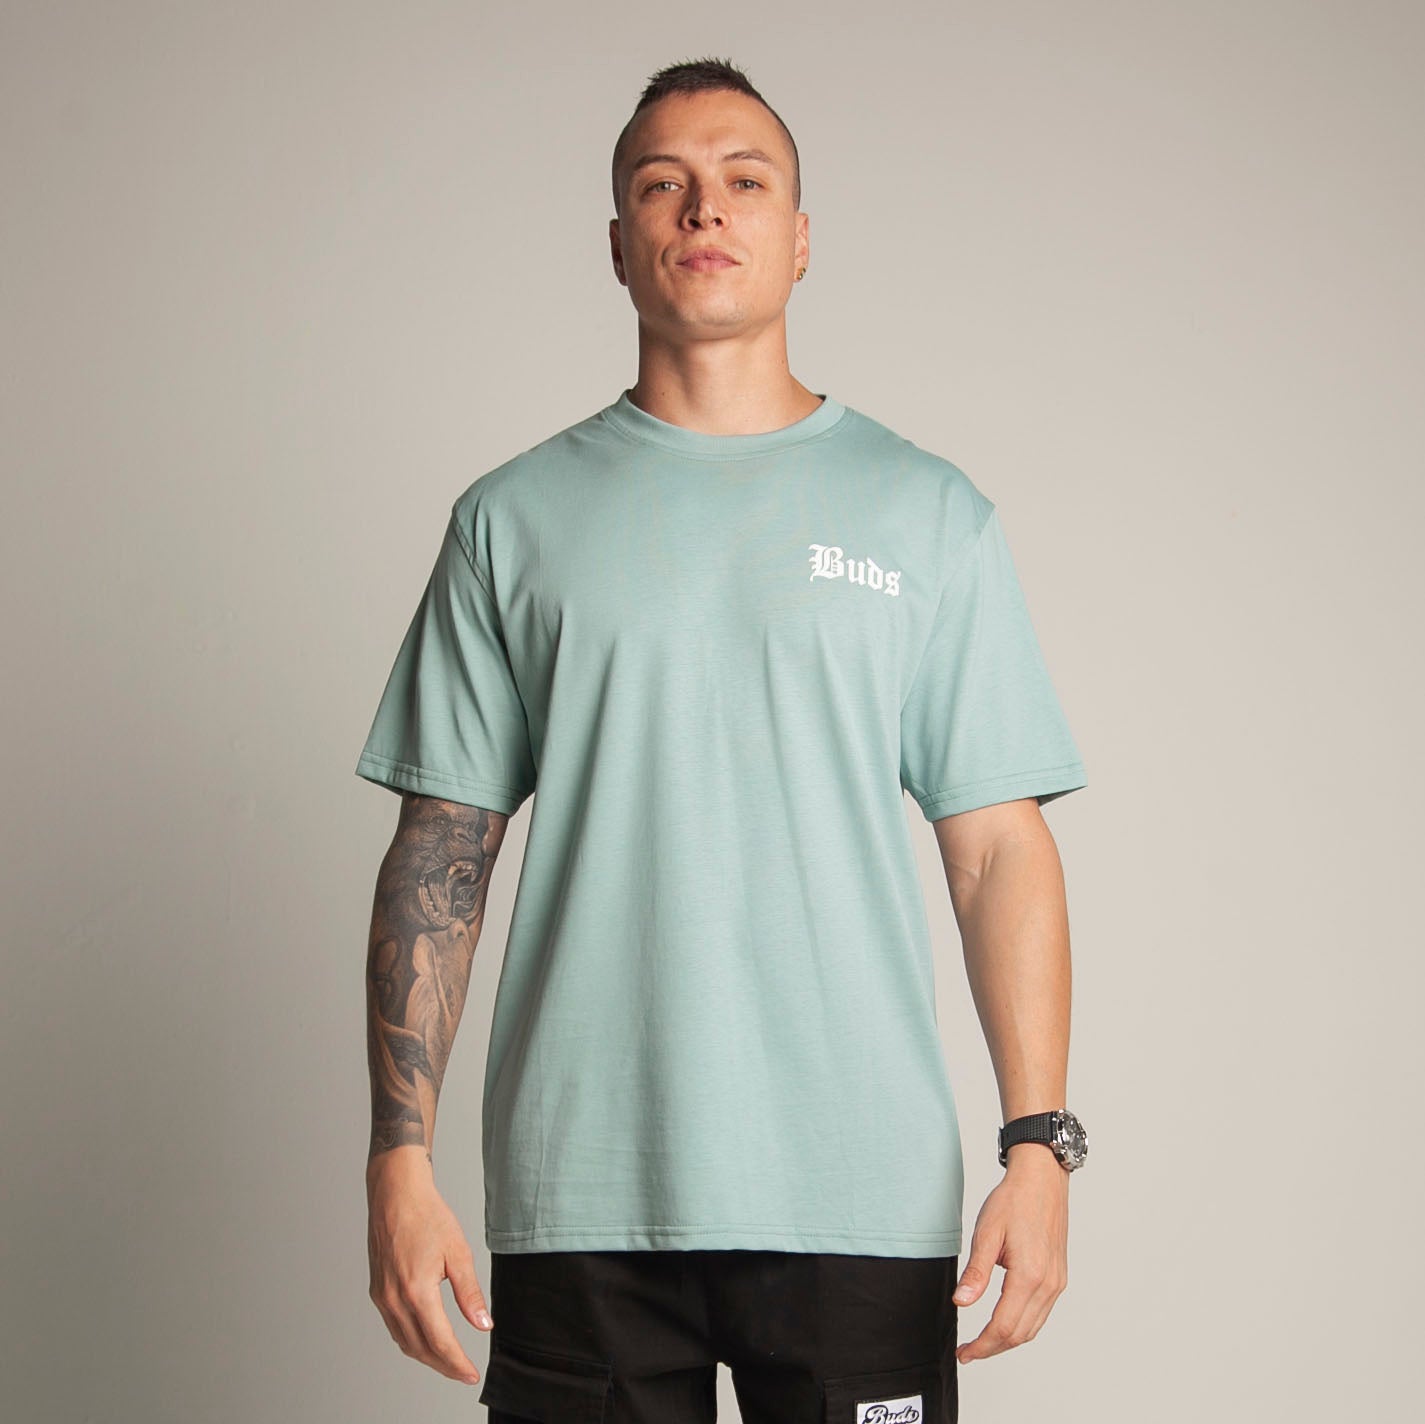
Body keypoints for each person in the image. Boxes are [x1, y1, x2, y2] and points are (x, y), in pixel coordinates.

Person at [356, 56, 1089, 1424]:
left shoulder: (927, 514)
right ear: (617, 242)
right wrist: (398, 1158)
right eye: (663, 184)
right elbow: (441, 850)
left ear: (799, 238)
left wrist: (1038, 1147)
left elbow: (997, 847)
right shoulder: (510, 521)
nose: (704, 208)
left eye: (744, 181)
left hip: (860, 1194)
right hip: (581, 1193)